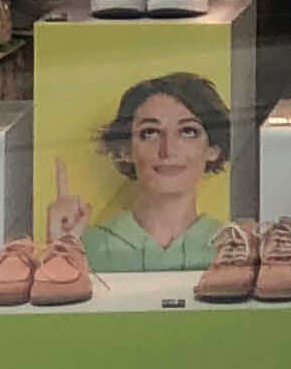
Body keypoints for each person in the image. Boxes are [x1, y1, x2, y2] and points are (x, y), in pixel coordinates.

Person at [81, 73, 243, 276]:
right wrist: (61, 243)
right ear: (126, 150)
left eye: (188, 131)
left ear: (213, 149)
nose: (168, 150)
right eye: (150, 132)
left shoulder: (236, 249)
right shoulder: (84, 247)